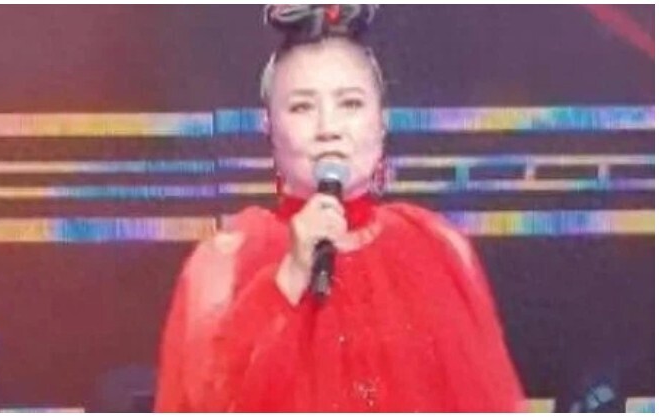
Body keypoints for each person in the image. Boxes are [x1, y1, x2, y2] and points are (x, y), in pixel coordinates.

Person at [155, 5, 525, 412]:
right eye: (302, 107)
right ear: (269, 128)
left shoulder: (440, 249)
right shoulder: (227, 262)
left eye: (350, 104)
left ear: (381, 121)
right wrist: (290, 276)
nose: (328, 128)